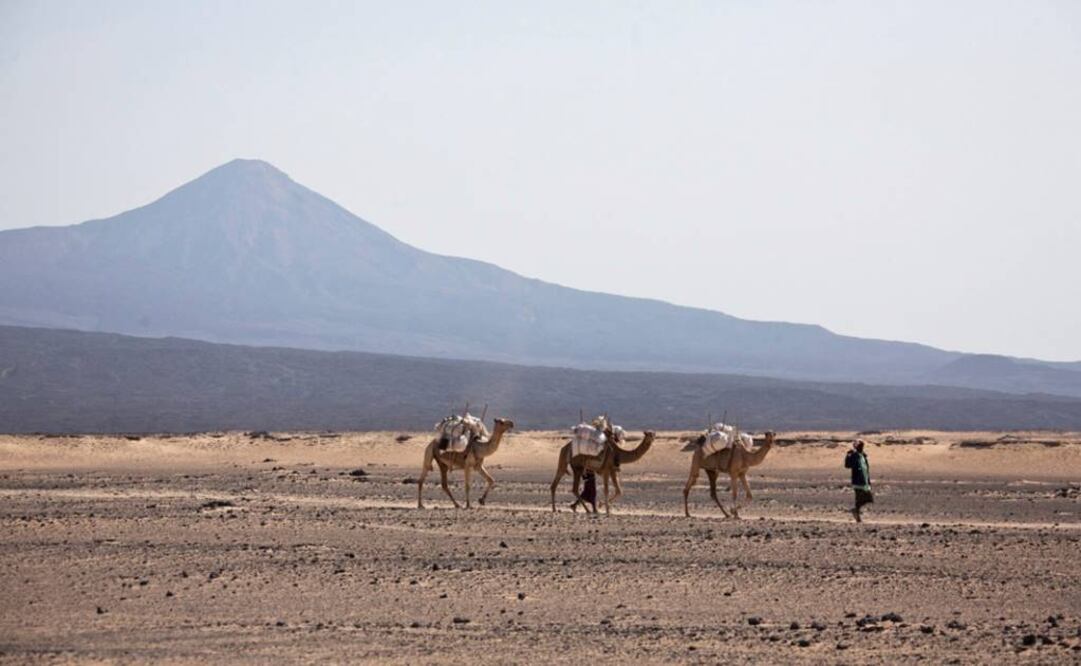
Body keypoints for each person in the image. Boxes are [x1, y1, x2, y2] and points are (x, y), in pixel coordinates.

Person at [844, 439, 873, 522]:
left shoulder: (863, 456)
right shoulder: (854, 455)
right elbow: (847, 465)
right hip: (858, 481)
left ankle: (856, 511)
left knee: (868, 498)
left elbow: (866, 469)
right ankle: (857, 514)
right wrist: (848, 456)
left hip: (864, 480)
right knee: (860, 498)